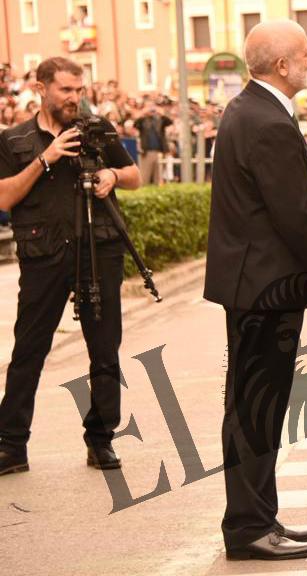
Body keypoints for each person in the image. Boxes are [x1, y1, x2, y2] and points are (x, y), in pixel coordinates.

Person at [204, 21, 307, 561]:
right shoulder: (267, 120)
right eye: (306, 54)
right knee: (256, 409)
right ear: (282, 65)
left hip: (253, 285)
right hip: (266, 288)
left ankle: (258, 517)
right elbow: (294, 214)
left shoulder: (247, 109)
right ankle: (250, 527)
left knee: (253, 407)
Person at [0, 57, 141, 476]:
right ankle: (11, 446)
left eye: (79, 90)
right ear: (41, 87)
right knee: (28, 351)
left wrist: (112, 176)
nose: (74, 99)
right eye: (65, 90)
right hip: (44, 257)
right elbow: (4, 198)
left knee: (104, 350)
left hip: (99, 253)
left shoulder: (96, 131)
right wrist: (47, 158)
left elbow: (134, 175)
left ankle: (101, 441)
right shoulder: (15, 139)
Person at [136, 102, 171, 185]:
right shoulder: (142, 121)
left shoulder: (159, 120)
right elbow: (135, 124)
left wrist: (161, 114)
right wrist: (143, 114)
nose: (152, 110)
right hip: (147, 152)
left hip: (159, 151)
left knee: (158, 178)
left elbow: (169, 122)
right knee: (145, 177)